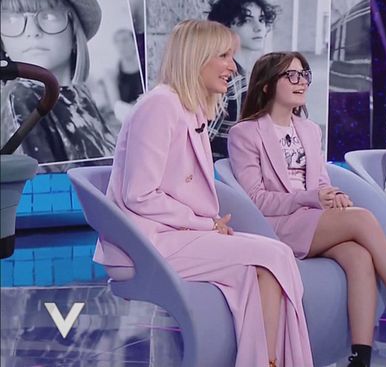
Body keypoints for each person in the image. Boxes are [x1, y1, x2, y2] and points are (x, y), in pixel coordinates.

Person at [227, 51, 386, 367]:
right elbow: (257, 200)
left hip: (311, 219)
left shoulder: (309, 130)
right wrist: (311, 197)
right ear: (266, 85)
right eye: (291, 75)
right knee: (362, 219)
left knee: (359, 257)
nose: (301, 82)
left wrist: (333, 195)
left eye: (304, 75)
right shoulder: (245, 133)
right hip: (276, 225)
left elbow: (320, 182)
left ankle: (360, 359)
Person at [94, 19, 313, 367]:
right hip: (145, 242)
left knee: (268, 265)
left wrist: (207, 223)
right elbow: (139, 194)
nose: (232, 67)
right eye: (223, 56)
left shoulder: (191, 109)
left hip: (175, 235)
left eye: (232, 56)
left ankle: (266, 359)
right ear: (196, 56)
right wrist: (203, 224)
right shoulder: (159, 105)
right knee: (273, 254)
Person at [0, 0, 115, 165]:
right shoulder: (21, 97)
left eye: (49, 15)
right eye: (12, 19)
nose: (32, 31)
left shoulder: (80, 95)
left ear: (74, 33)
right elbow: (40, 183)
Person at [206, 0, 279, 159]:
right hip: (218, 170)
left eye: (261, 19)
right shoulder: (225, 77)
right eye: (246, 20)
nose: (258, 28)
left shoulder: (242, 73)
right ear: (226, 25)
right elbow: (200, 142)